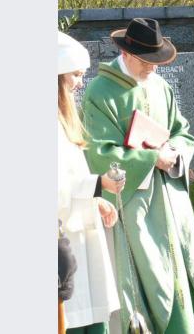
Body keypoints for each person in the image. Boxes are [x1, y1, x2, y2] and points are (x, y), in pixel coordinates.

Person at [82, 18, 194, 333]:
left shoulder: (160, 86)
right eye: (147, 62)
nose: (153, 68)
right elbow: (99, 152)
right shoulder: (101, 92)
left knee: (176, 271)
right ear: (126, 54)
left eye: (157, 61)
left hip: (168, 199)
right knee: (142, 279)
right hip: (132, 203)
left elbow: (183, 133)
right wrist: (153, 158)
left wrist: (174, 154)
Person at [58, 31, 123, 333]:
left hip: (80, 236)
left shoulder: (61, 119)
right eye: (75, 74)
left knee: (91, 316)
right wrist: (99, 185)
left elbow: (71, 178)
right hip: (63, 241)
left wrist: (96, 198)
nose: (80, 82)